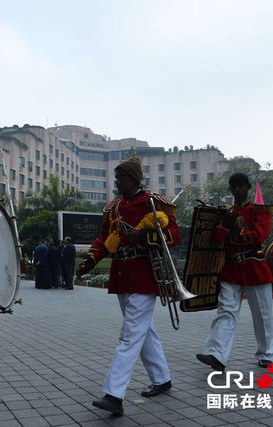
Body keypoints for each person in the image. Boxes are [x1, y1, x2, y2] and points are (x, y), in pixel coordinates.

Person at [77, 157, 180, 416]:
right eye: (117, 176)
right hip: (122, 275)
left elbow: (174, 236)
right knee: (143, 331)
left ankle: (114, 394)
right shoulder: (114, 208)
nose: (117, 181)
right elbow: (104, 238)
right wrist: (90, 260)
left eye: (122, 177)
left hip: (145, 276)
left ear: (135, 179)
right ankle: (162, 378)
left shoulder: (154, 203)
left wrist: (144, 236)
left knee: (129, 335)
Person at [196, 173, 273, 371]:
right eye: (233, 186)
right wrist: (228, 225)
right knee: (225, 312)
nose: (237, 190)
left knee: (262, 314)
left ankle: (266, 354)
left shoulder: (260, 210)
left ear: (248, 187)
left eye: (240, 186)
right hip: (231, 269)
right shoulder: (228, 213)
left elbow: (259, 235)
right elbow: (217, 237)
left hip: (254, 267)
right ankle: (217, 354)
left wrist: (232, 232)